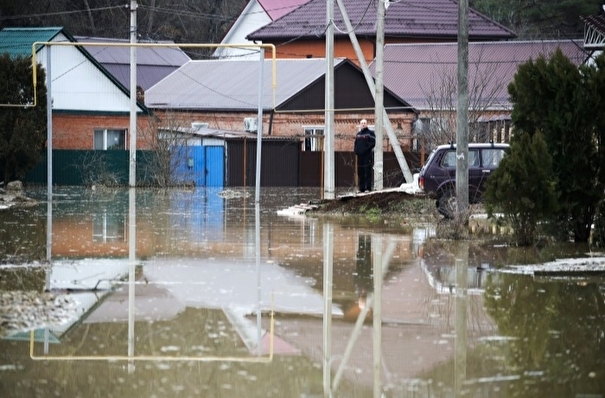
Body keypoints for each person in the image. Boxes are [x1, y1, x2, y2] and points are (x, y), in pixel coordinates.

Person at [353, 119, 376, 192]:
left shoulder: (370, 133)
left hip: (367, 155)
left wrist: (365, 150)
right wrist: (356, 151)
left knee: (367, 171)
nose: (363, 124)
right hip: (360, 156)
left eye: (364, 123)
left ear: (367, 124)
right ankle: (361, 188)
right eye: (362, 123)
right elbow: (356, 144)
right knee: (360, 172)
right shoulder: (358, 134)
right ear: (360, 124)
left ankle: (368, 188)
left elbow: (372, 144)